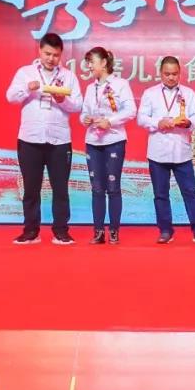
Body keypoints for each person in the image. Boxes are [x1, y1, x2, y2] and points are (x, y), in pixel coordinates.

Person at [4, 33, 82, 245]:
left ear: (61, 55)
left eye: (56, 55)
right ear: (40, 50)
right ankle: (31, 231)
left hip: (59, 140)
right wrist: (26, 89)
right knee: (31, 188)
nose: (51, 59)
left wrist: (62, 100)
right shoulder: (25, 72)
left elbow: (77, 105)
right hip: (30, 139)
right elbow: (10, 97)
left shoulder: (68, 76)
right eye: (47, 54)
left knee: (60, 189)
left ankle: (61, 231)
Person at [137, 56, 195, 245]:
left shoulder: (188, 93)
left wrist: (189, 122)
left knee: (191, 193)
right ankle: (165, 231)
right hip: (158, 151)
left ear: (180, 73)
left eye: (175, 74)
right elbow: (141, 118)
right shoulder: (150, 93)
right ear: (160, 73)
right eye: (167, 74)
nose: (171, 77)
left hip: (182, 151)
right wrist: (158, 123)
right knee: (160, 194)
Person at [79, 46, 136, 244]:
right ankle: (98, 231)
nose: (89, 66)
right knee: (96, 188)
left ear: (103, 63)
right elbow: (83, 113)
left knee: (113, 186)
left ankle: (113, 230)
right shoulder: (90, 88)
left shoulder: (120, 84)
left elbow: (131, 110)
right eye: (88, 62)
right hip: (93, 141)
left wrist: (110, 121)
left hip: (114, 140)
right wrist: (85, 119)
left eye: (92, 62)